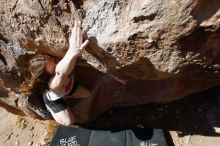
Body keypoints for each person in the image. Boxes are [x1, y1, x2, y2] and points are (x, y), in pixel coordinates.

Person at [18, 20, 91, 126]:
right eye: (54, 69)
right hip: (55, 98)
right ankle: (51, 106)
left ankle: (65, 96)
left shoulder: (59, 64)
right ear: (49, 76)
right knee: (68, 121)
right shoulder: (53, 85)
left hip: (67, 88)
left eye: (55, 60)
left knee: (87, 94)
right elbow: (61, 73)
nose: (59, 63)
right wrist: (72, 51)